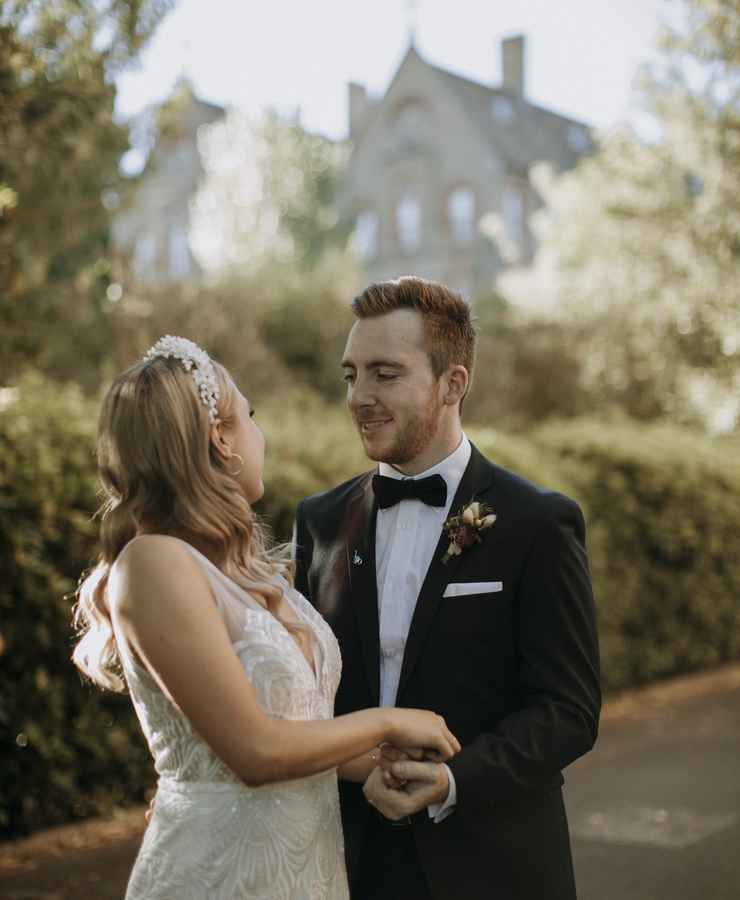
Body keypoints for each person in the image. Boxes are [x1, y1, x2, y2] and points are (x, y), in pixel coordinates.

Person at [71, 335, 460, 900]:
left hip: (307, 872)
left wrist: (384, 764)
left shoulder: (246, 572)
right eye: (249, 417)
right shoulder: (152, 562)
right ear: (220, 439)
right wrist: (388, 721)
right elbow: (254, 753)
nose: (262, 437)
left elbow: (299, 732)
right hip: (220, 874)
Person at [293, 277, 601, 900]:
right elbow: (304, 698)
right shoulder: (320, 522)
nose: (360, 397)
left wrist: (455, 778)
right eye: (351, 375)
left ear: (452, 383)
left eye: (385, 374)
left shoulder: (538, 522)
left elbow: (568, 711)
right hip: (352, 863)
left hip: (495, 864)